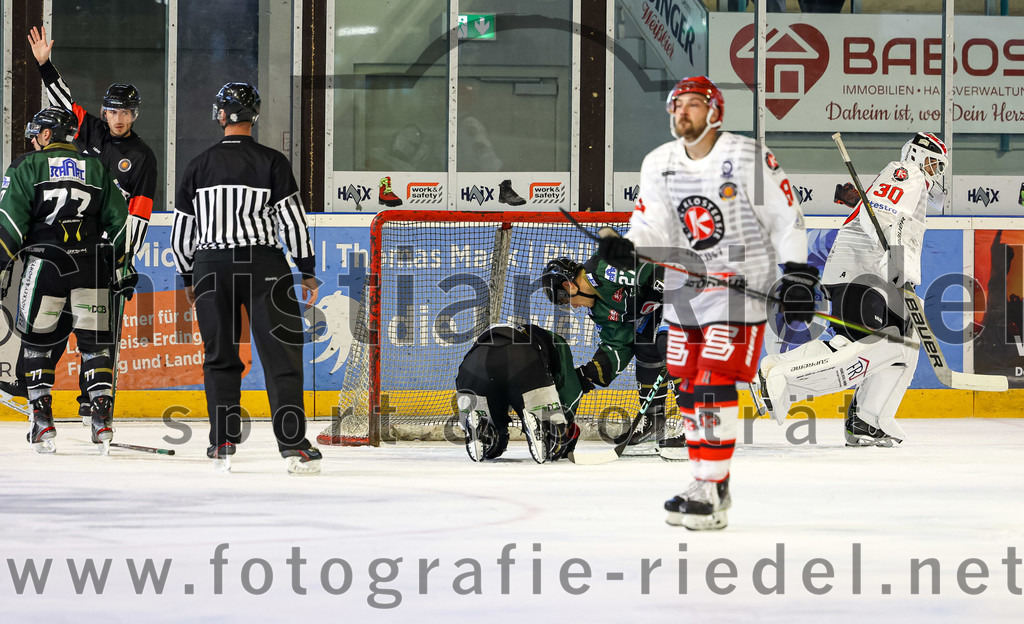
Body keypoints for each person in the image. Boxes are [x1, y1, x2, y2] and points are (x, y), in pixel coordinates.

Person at [597, 76, 813, 530]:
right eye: (677, 106)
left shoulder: (749, 157)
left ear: (714, 112)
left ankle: (712, 488)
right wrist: (628, 247)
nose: (683, 113)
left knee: (715, 382)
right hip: (684, 293)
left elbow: (786, 216)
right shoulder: (658, 163)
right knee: (691, 385)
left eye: (693, 104)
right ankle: (706, 482)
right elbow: (652, 226)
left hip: (740, 289)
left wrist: (796, 273)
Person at [750, 132, 949, 448]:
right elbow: (886, 218)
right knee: (876, 344)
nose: (935, 172)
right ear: (916, 155)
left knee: (901, 340)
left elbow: (881, 214)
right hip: (862, 270)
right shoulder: (908, 173)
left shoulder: (905, 178)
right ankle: (783, 375)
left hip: (860, 269)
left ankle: (868, 420)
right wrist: (900, 270)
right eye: (934, 164)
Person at [171, 83, 321, 475]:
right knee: (281, 358)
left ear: (221, 116)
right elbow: (292, 221)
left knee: (219, 356)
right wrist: (306, 268)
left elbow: (182, 233)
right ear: (254, 117)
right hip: (264, 266)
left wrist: (188, 274)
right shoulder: (272, 162)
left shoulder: (197, 165)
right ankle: (294, 445)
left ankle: (222, 441)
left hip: (210, 268)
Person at [18, 26, 157, 423]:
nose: (118, 118)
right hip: (74, 249)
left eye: (125, 112)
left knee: (99, 335)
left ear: (135, 114)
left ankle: (91, 404)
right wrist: (45, 65)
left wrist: (124, 260)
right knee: (59, 326)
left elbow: (140, 213)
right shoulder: (90, 128)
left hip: (105, 254)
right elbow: (64, 101)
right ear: (105, 110)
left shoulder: (143, 156)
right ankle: (50, 395)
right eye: (112, 110)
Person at [0, 107, 128, 453]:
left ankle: (42, 421)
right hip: (92, 269)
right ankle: (101, 420)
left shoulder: (27, 166)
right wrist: (121, 268)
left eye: (35, 133)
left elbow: (10, 226)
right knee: (96, 345)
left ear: (45, 135)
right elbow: (120, 221)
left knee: (38, 344)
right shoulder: (97, 168)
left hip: (46, 267)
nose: (32, 139)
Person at [541, 255, 670, 454]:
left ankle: (696, 427)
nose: (573, 306)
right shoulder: (598, 311)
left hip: (682, 291)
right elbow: (619, 344)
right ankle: (655, 422)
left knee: (670, 346)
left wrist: (665, 279)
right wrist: (587, 375)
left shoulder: (604, 268)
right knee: (645, 346)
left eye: (565, 299)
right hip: (658, 307)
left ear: (569, 285)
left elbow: (650, 266)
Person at [455, 324, 584, 463]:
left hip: (472, 369)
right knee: (556, 443)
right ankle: (541, 425)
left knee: (493, 447)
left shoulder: (491, 337)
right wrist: (565, 421)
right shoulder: (557, 341)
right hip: (522, 361)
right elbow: (569, 388)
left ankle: (482, 427)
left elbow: (460, 380)